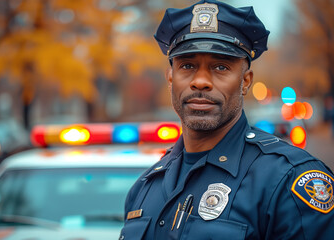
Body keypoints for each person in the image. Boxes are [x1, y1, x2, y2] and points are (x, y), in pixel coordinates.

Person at [119, 1, 334, 239]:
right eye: (187, 65)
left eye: (220, 67)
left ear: (245, 81)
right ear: (171, 79)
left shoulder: (286, 181)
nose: (200, 81)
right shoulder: (144, 188)